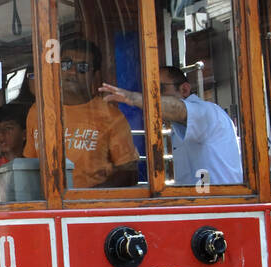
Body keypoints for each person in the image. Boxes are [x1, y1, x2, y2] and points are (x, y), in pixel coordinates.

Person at [24, 37, 138, 187]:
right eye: (66, 64)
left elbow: (129, 173)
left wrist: (88, 199)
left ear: (95, 75)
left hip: (91, 206)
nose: (72, 72)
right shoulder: (37, 111)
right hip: (48, 206)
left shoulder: (111, 116)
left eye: (82, 67)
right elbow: (29, 165)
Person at [99, 65, 242, 185]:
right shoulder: (180, 124)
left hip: (220, 207)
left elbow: (177, 109)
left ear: (184, 90)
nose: (155, 96)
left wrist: (132, 98)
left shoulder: (208, 112)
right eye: (151, 91)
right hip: (202, 206)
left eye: (159, 89)